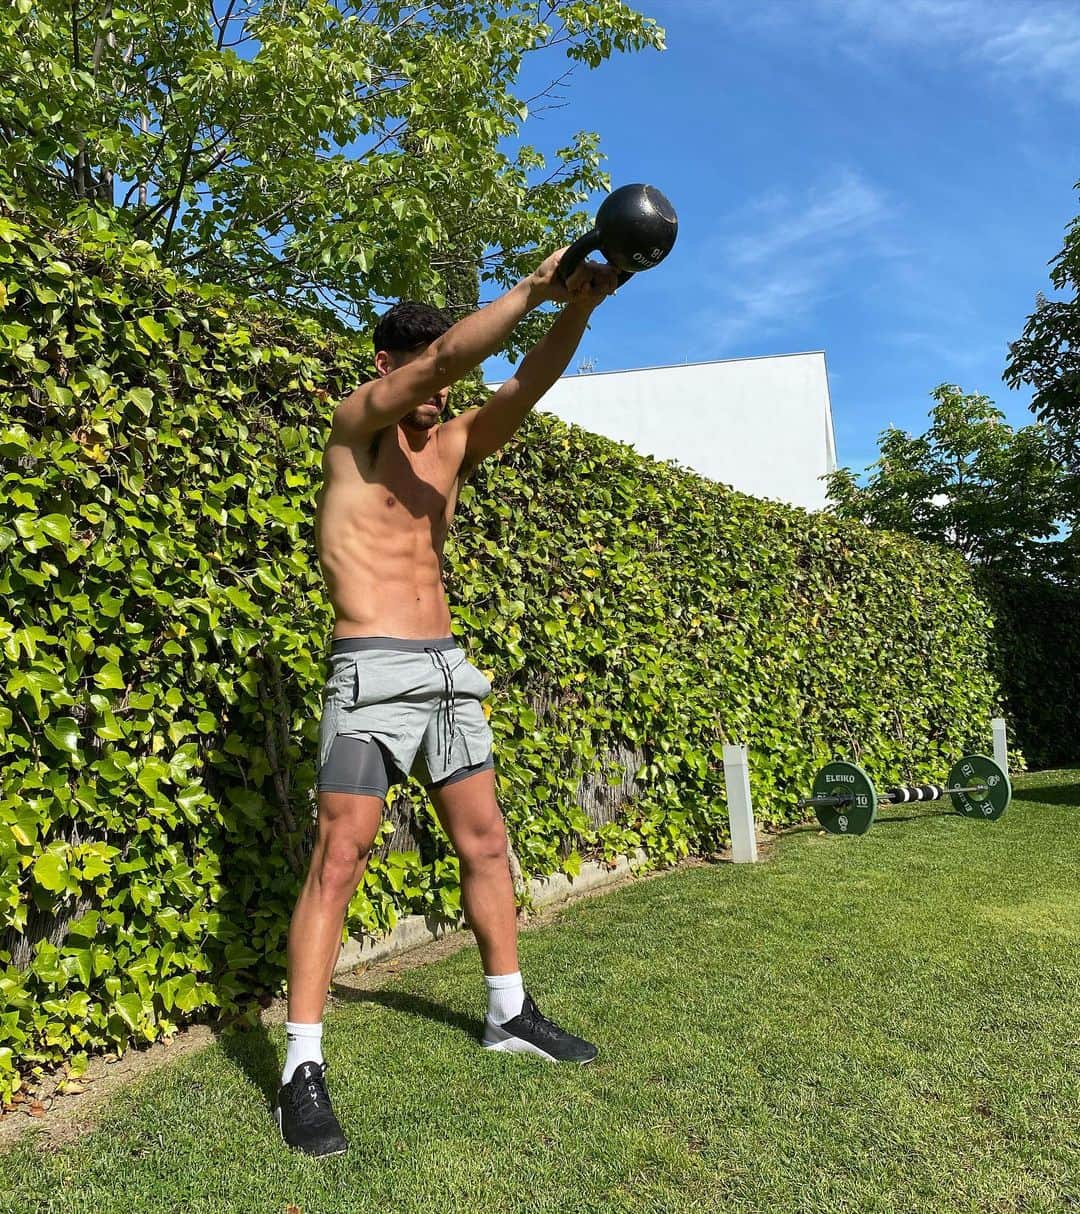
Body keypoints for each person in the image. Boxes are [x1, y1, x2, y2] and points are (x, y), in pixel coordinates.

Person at [275, 247, 620, 1156]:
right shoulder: (354, 428)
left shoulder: (455, 443)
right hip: (370, 672)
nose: (437, 391)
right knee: (340, 855)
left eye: (439, 374)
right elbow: (450, 362)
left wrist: (577, 306)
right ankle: (300, 1066)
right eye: (422, 370)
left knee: (486, 838)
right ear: (388, 367)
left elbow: (523, 388)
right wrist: (531, 288)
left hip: (444, 673)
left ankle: (508, 1011)